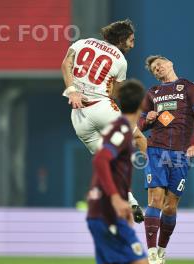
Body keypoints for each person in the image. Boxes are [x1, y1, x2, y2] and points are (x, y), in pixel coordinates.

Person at [49, 80, 152, 264]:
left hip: (101, 212)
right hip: (107, 212)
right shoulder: (120, 129)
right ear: (141, 104)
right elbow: (102, 160)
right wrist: (118, 199)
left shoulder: (121, 128)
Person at [61, 18, 146, 222]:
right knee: (139, 139)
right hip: (102, 108)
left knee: (107, 162)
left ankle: (132, 202)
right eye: (131, 40)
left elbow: (66, 64)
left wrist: (73, 91)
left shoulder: (82, 42)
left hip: (78, 115)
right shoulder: (120, 59)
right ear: (122, 39)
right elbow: (117, 93)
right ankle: (160, 172)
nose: (133, 45)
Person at [138, 55, 194, 264]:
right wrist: (146, 119)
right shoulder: (152, 93)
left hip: (180, 153)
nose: (157, 68)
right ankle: (150, 251)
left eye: (159, 64)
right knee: (155, 200)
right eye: (153, 68)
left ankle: (161, 249)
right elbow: (138, 124)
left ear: (170, 63)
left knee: (170, 206)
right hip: (156, 149)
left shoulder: (188, 87)